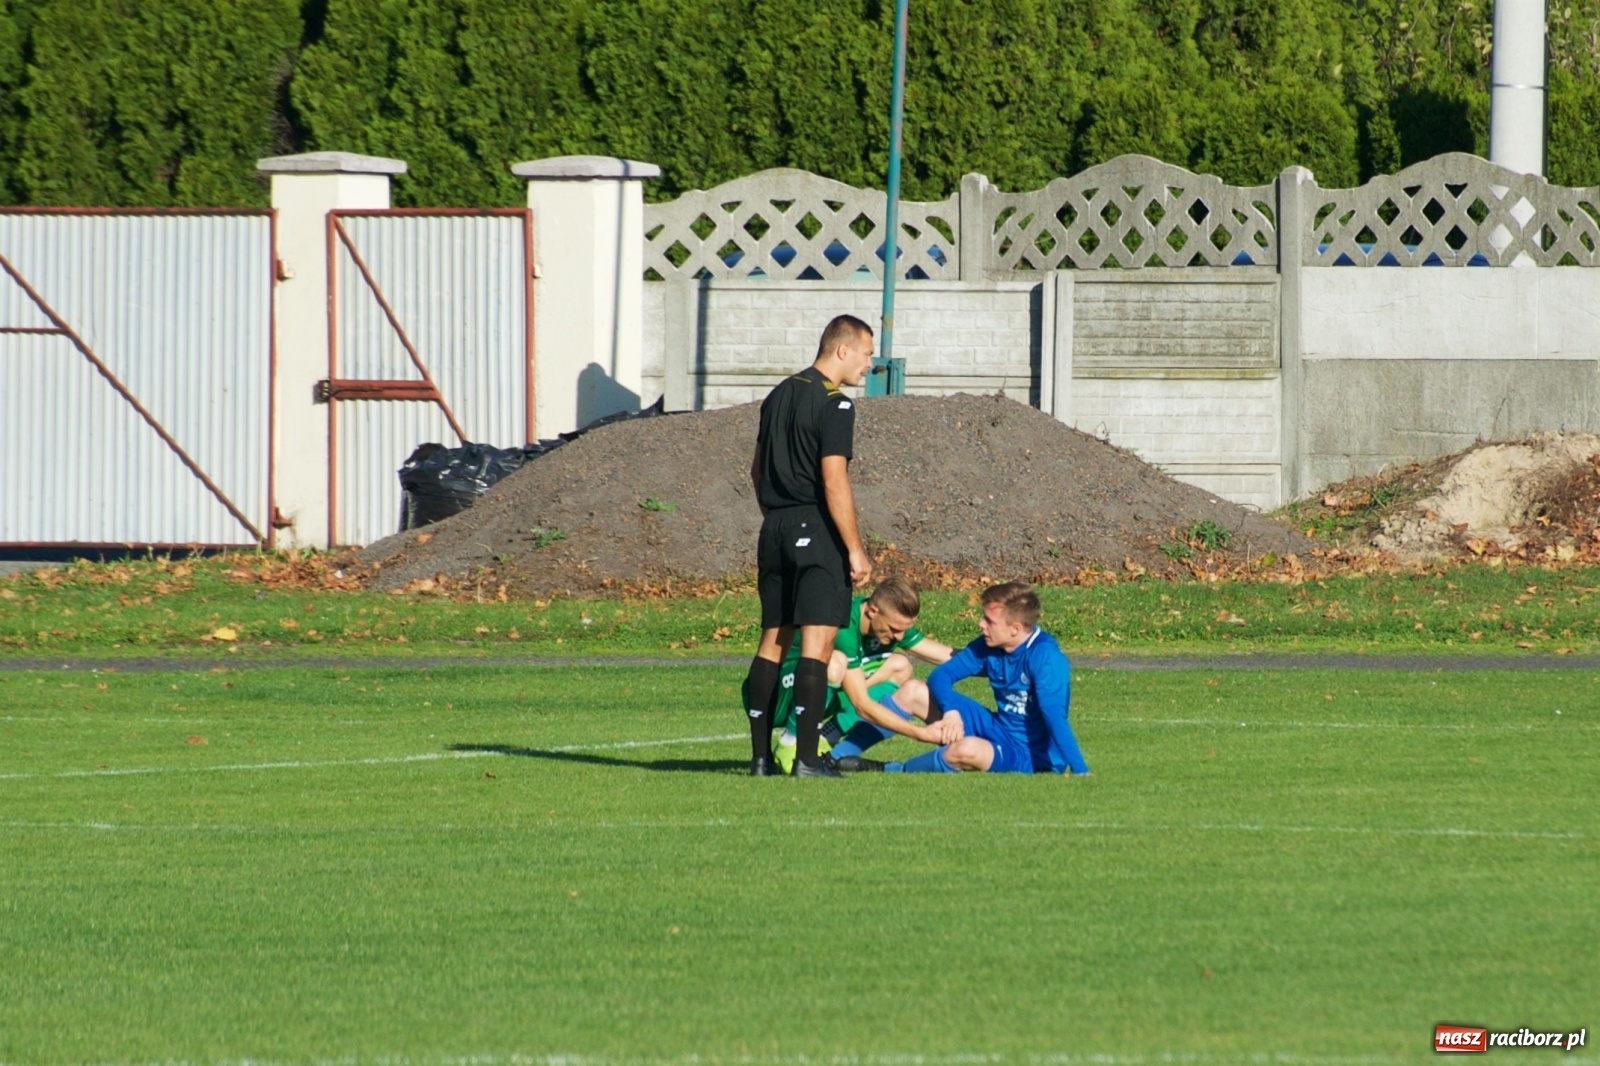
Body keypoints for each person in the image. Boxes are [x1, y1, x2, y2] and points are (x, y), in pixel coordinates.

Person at [742, 314, 876, 777]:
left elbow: (756, 471)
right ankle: (805, 760)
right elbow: (833, 480)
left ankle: (760, 759)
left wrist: (776, 519)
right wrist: (855, 549)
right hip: (815, 529)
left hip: (774, 528)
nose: (868, 365)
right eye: (866, 353)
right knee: (816, 648)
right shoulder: (835, 404)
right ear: (843, 350)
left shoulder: (777, 395)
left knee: (772, 643)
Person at [751, 574, 957, 773]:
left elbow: (947, 657)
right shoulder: (844, 626)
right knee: (835, 662)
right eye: (894, 629)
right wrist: (920, 733)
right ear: (872, 611)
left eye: (904, 630)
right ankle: (790, 743)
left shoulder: (893, 623)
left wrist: (985, 658)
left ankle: (826, 738)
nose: (899, 636)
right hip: (776, 696)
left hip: (817, 693)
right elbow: (862, 705)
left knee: (900, 666)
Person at [888, 581, 1091, 776]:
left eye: (989, 621)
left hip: (1033, 756)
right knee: (913, 691)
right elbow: (942, 675)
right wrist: (951, 711)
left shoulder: (1045, 657)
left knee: (965, 750)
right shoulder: (989, 644)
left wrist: (1080, 770)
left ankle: (893, 770)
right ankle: (854, 751)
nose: (981, 624)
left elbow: (1054, 717)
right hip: (999, 729)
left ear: (1015, 629)